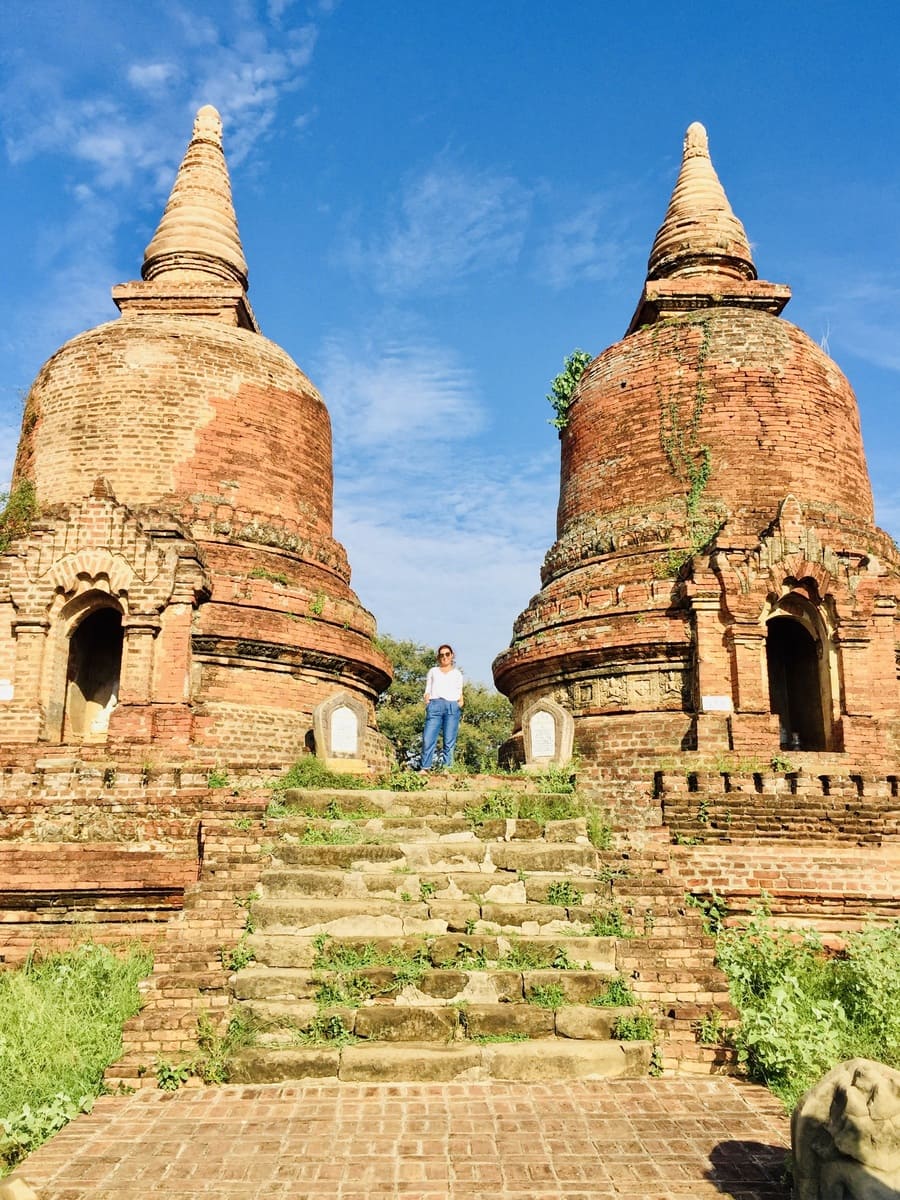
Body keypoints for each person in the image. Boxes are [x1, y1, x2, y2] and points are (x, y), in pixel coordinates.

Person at [420, 644, 464, 771]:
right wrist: (427, 700)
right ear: (438, 657)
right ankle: (425, 767)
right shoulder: (433, 671)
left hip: (452, 706)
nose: (444, 657)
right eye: (441, 655)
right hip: (435, 704)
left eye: (447, 654)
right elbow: (427, 689)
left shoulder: (457, 674)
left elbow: (460, 691)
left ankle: (447, 768)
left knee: (449, 740)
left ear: (452, 656)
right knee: (428, 738)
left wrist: (459, 703)